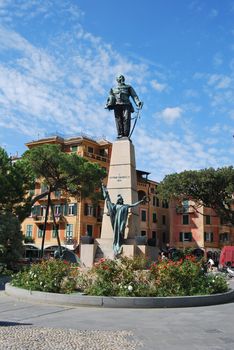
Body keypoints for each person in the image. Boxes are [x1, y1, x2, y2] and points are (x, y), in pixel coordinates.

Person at [102, 184, 147, 256]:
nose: (121, 200)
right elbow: (108, 201)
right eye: (120, 199)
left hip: (122, 221)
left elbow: (133, 205)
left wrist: (140, 201)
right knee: (118, 231)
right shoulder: (115, 206)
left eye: (122, 199)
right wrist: (105, 190)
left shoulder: (125, 206)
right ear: (118, 201)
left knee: (121, 230)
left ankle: (120, 241)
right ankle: (118, 243)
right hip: (117, 221)